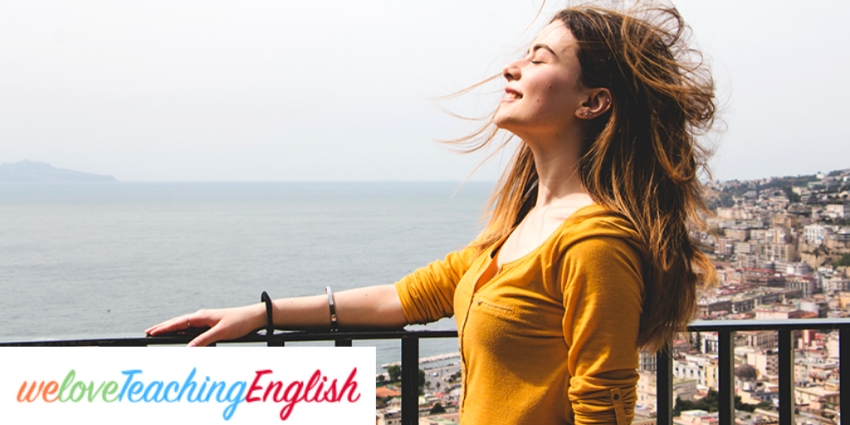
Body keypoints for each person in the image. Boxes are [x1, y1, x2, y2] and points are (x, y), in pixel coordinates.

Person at [147, 3, 716, 424]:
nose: (510, 69)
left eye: (539, 59)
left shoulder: (595, 242)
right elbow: (402, 299)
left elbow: (605, 407)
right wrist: (258, 314)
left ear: (593, 102)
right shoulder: (518, 234)